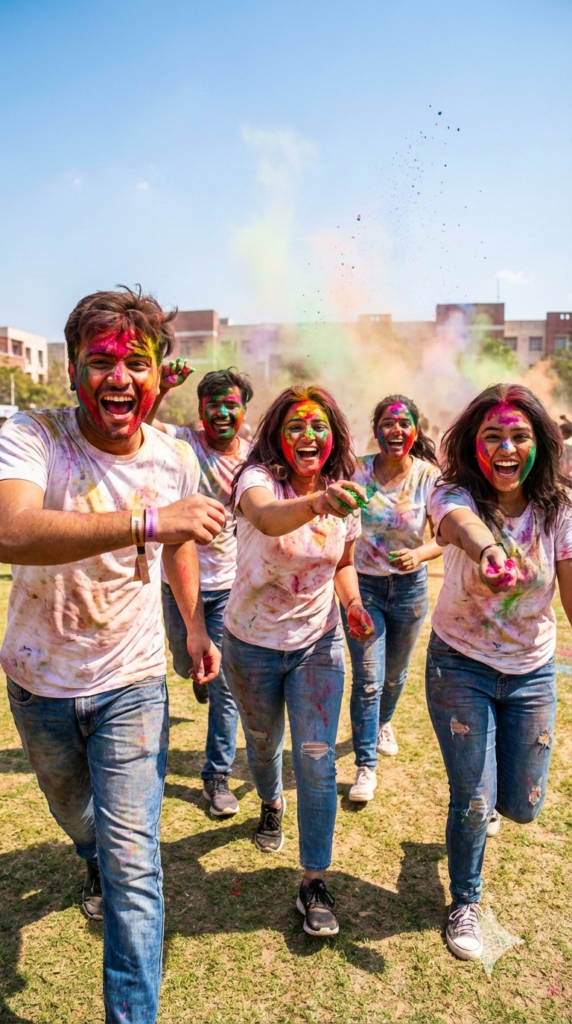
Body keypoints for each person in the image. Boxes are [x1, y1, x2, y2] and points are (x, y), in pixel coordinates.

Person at [0, 288, 226, 1024]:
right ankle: (89, 852)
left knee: (135, 864)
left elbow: (178, 543)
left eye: (136, 363)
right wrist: (148, 521)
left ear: (159, 375)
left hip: (132, 679)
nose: (119, 377)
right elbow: (10, 531)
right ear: (73, 371)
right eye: (101, 361)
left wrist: (194, 625)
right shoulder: (35, 435)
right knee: (79, 819)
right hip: (39, 678)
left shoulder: (174, 458)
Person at [425, 384, 572, 962]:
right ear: (473, 444)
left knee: (524, 805)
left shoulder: (558, 509)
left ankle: (484, 810)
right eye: (492, 436)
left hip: (532, 670)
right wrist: (488, 551)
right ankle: (465, 900)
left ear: (541, 444)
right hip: (460, 663)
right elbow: (461, 525)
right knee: (473, 796)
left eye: (519, 436)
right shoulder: (452, 494)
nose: (506, 448)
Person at [221, 385, 374, 937]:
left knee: (316, 760)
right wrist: (316, 504)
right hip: (251, 642)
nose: (308, 436)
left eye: (318, 427)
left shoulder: (343, 492)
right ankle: (270, 801)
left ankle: (313, 881)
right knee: (263, 745)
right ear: (278, 435)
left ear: (333, 436)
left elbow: (344, 563)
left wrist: (352, 603)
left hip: (318, 645)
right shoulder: (256, 479)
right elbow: (266, 519)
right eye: (295, 427)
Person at [147, 366, 252, 817]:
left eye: (231, 405)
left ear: (244, 410)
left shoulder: (254, 457)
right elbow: (141, 423)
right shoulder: (184, 443)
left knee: (226, 684)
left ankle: (216, 777)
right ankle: (195, 669)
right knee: (182, 659)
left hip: (229, 586)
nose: (222, 413)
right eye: (214, 405)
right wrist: (162, 388)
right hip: (179, 582)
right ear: (200, 409)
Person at [341, 395, 442, 803]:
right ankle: (365, 766)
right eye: (387, 422)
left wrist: (420, 554)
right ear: (376, 429)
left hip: (409, 590)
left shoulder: (428, 477)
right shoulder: (356, 470)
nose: (395, 430)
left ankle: (383, 722)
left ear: (415, 431)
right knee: (368, 678)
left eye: (403, 423)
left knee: (395, 676)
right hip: (363, 588)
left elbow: (445, 535)